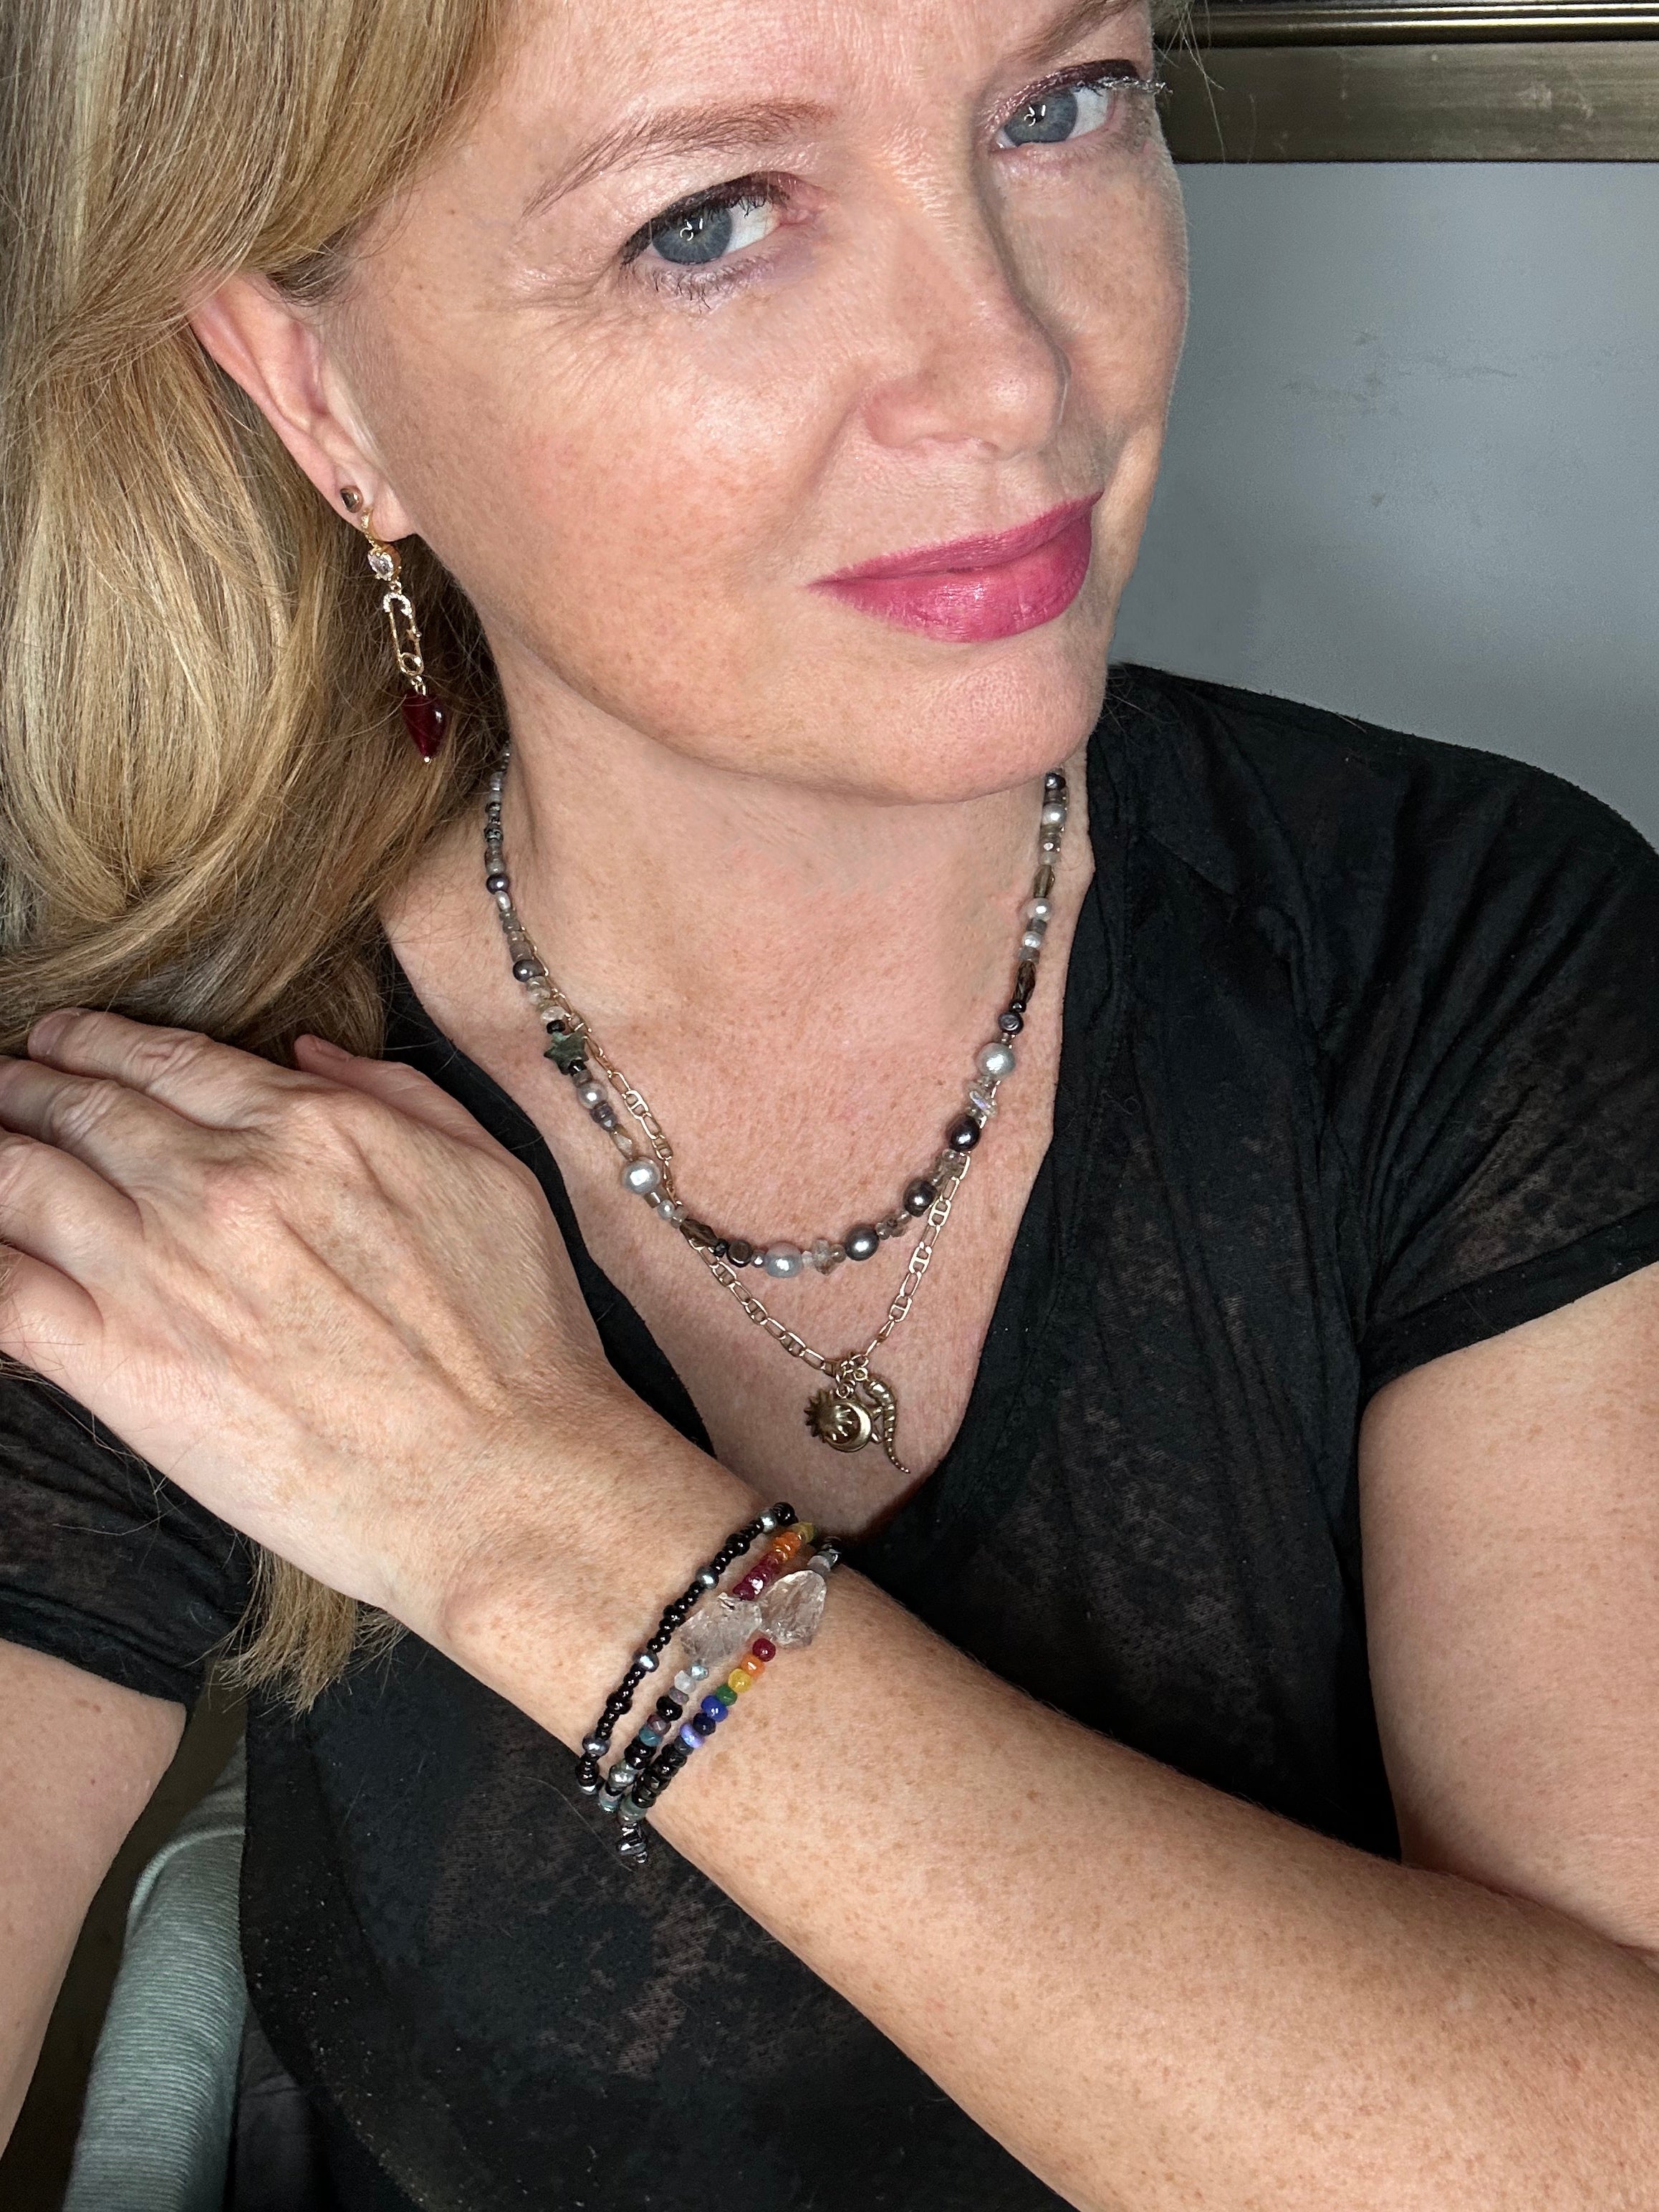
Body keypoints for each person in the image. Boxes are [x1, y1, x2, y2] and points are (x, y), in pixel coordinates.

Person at [2, 0, 1657, 2203]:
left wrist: (537, 1514)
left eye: (1061, 104)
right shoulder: (177, 1157)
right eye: (707, 220)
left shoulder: (1472, 942)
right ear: (319, 393)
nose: (1009, 371)